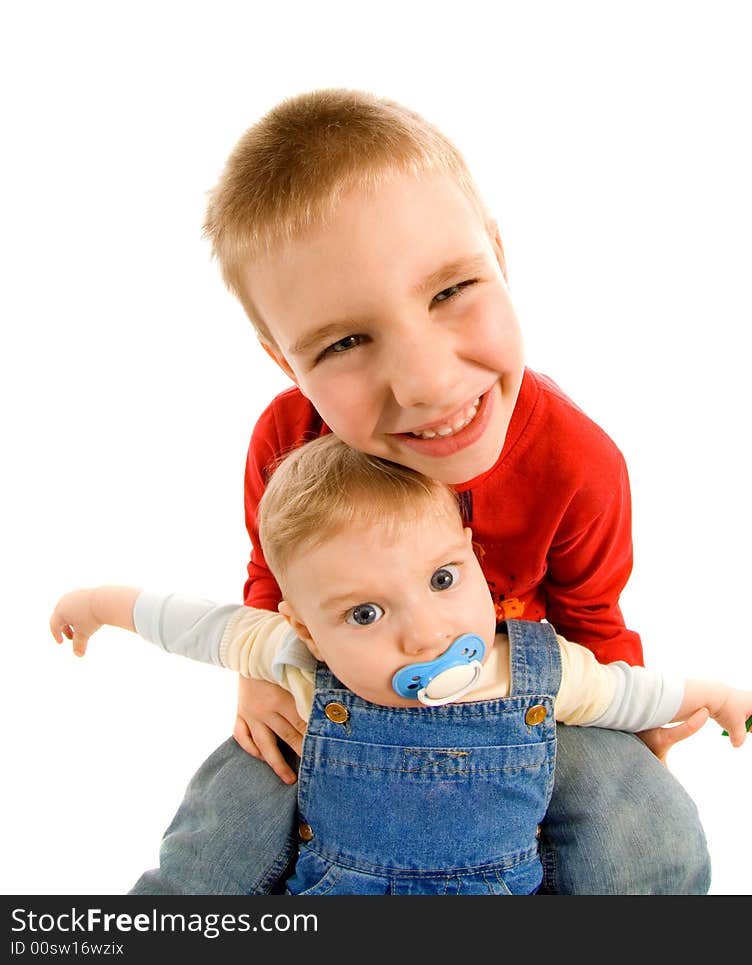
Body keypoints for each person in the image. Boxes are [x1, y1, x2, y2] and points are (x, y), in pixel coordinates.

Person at [113, 86, 714, 895]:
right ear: (287, 363)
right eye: (347, 342)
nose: (429, 383)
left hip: (518, 693)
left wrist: (631, 724)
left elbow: (593, 617)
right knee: (225, 825)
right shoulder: (287, 443)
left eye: (450, 291)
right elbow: (273, 580)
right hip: (344, 685)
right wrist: (258, 670)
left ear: (498, 256)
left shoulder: (577, 461)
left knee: (647, 836)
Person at [50, 436, 752, 895]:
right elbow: (187, 621)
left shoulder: (537, 670)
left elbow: (630, 693)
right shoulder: (294, 659)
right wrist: (95, 603)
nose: (425, 633)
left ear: (472, 552)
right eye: (365, 614)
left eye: (444, 579)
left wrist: (717, 694)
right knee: (225, 806)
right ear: (308, 626)